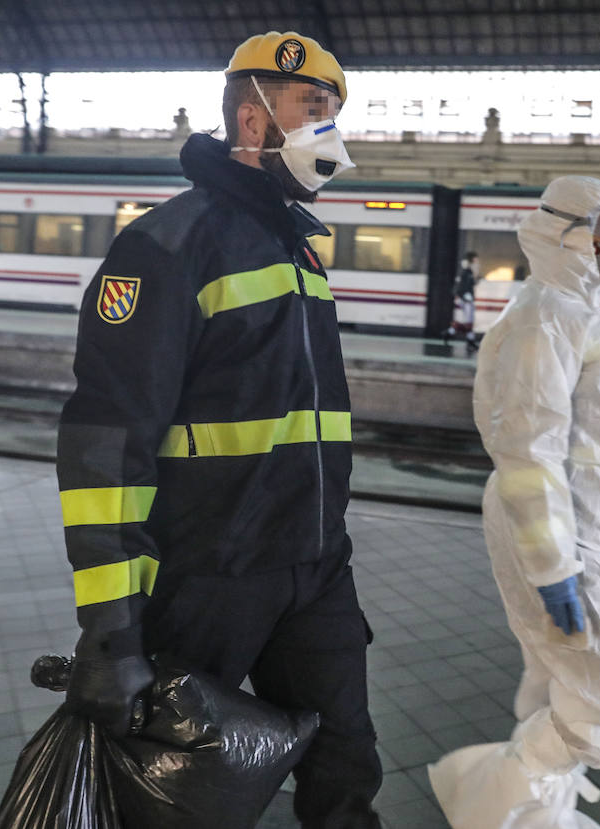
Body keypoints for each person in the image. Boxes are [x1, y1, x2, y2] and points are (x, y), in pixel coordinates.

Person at [55, 30, 380, 827]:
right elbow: (106, 445)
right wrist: (111, 630)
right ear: (252, 118)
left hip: (314, 565)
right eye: (314, 107)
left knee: (346, 764)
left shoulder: (298, 246)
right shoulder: (166, 246)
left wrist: (325, 541)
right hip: (209, 574)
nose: (330, 130)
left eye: (334, 112)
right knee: (177, 791)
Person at [428, 176, 600, 828]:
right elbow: (529, 452)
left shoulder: (578, 313)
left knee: (555, 679)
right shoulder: (543, 321)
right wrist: (555, 565)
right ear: (566, 238)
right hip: (562, 538)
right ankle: (491, 790)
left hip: (581, 528)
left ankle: (537, 816)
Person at [443, 251, 481, 350]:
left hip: (466, 299)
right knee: (469, 322)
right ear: (472, 259)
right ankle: (449, 333)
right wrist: (465, 297)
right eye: (476, 259)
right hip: (467, 299)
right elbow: (465, 286)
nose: (477, 261)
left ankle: (468, 340)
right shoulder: (467, 272)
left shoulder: (467, 271)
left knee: (470, 321)